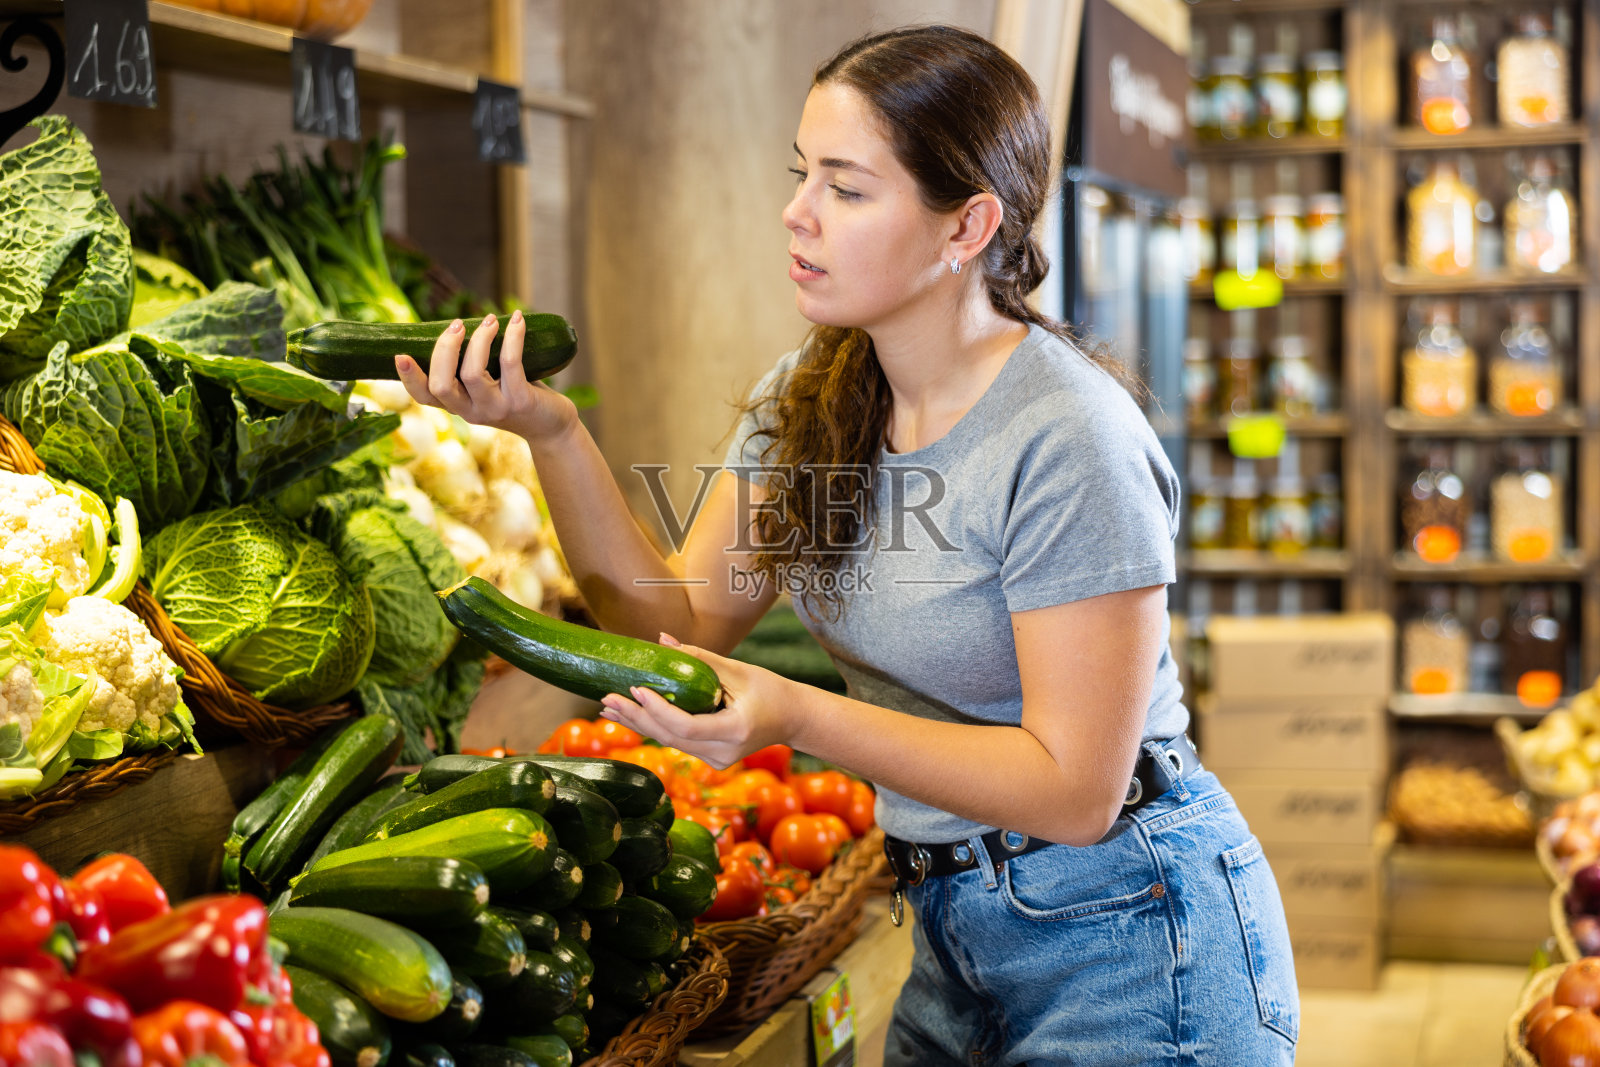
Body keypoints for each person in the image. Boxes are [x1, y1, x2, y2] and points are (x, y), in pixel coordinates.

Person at [396, 23, 1298, 1067]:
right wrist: (551, 431)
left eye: (845, 187)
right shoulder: (810, 396)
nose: (796, 212)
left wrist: (790, 709)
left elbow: (1074, 785)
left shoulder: (1068, 435)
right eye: (800, 174)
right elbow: (676, 622)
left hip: (1136, 930)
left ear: (965, 226)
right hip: (953, 922)